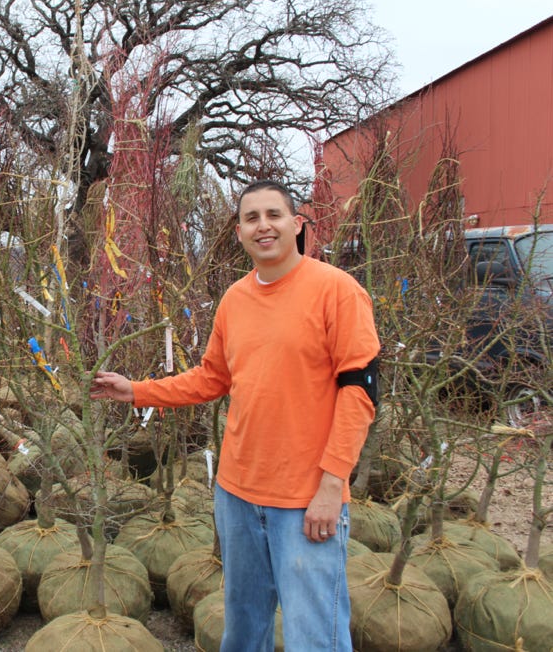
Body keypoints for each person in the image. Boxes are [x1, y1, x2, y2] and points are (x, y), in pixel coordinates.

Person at [91, 180, 379, 651]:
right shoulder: (235, 300)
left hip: (307, 499)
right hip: (237, 494)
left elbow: (360, 392)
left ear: (297, 224)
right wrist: (137, 391)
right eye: (251, 218)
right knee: (243, 630)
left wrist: (332, 484)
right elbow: (211, 378)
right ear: (240, 233)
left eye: (274, 215)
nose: (263, 226)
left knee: (315, 636)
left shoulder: (337, 292)